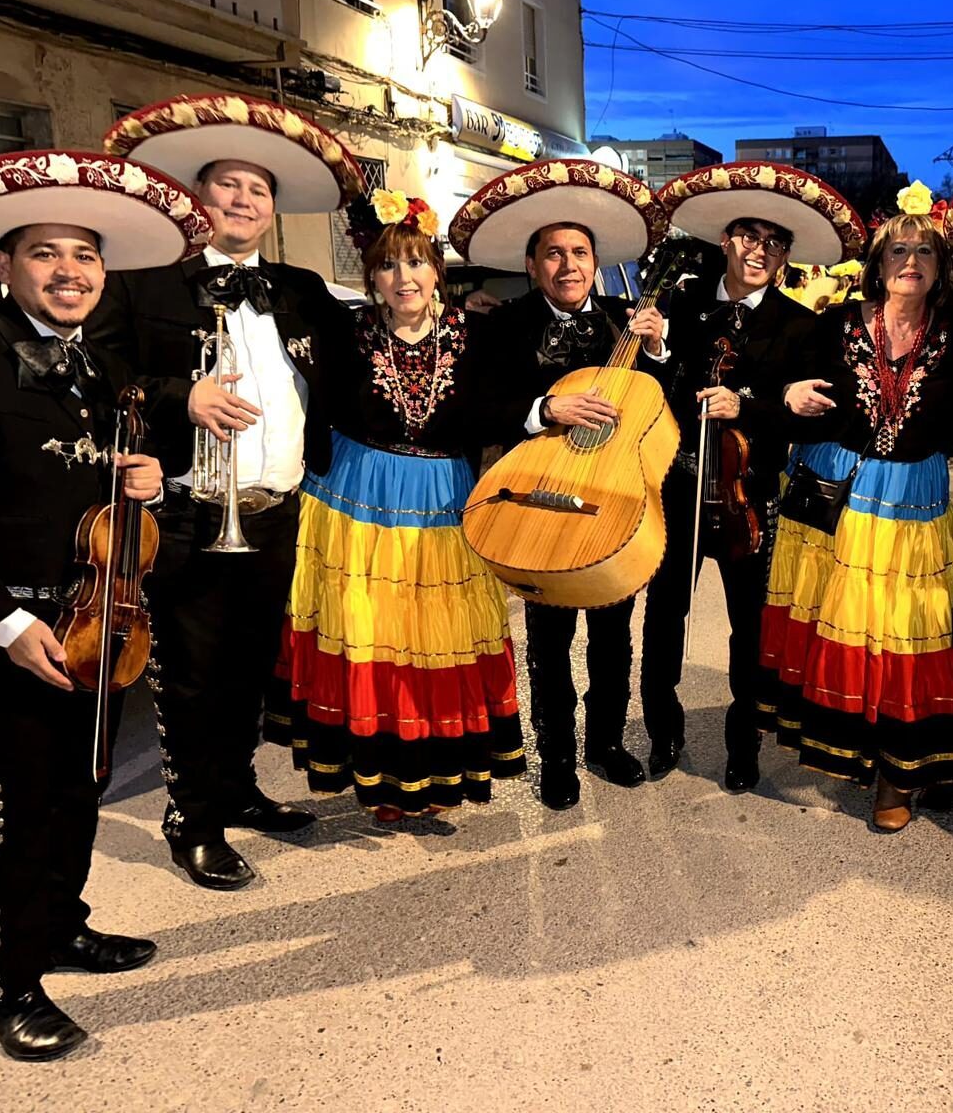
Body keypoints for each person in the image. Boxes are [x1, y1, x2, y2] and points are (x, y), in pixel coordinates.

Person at [0, 149, 208, 1060]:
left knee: (82, 787)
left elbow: (107, 500)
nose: (69, 272)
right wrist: (5, 627)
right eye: (45, 253)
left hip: (99, 617)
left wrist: (150, 483)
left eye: (85, 256)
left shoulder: (100, 372)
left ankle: (60, 927)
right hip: (7, 624)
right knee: (14, 805)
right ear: (5, 264)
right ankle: (2, 983)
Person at [87, 93, 364, 889]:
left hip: (276, 513)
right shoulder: (145, 285)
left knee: (251, 665)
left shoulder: (303, 288)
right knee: (193, 673)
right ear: (198, 201)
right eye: (226, 188)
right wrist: (184, 397)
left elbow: (358, 359)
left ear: (272, 208)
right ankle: (193, 820)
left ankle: (238, 790)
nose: (243, 202)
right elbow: (99, 375)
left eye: (257, 190)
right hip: (187, 513)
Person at [271, 190, 525, 821]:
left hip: (442, 502)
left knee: (438, 637)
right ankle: (379, 777)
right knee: (369, 638)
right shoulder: (345, 330)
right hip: (355, 503)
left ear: (436, 268)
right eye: (388, 265)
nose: (403, 277)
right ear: (372, 276)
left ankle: (433, 773)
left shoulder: (478, 333)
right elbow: (288, 296)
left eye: (415, 262)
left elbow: (506, 404)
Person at [450, 158, 671, 810]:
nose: (568, 264)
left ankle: (604, 744)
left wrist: (658, 353)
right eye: (553, 253)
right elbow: (473, 406)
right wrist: (546, 408)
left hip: (613, 504)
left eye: (579, 252)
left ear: (596, 262)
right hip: (538, 501)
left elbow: (667, 406)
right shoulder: (499, 325)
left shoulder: (623, 323)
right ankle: (557, 760)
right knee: (548, 642)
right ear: (532, 265)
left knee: (613, 637)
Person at [641, 163, 866, 792]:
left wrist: (755, 405)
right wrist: (660, 352)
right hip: (678, 487)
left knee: (750, 627)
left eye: (774, 241)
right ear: (726, 239)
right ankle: (664, 733)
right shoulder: (682, 307)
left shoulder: (803, 326)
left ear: (786, 254)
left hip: (749, 497)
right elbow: (655, 391)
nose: (759, 250)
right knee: (665, 615)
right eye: (748, 234)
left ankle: (744, 746)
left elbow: (816, 418)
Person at [760, 186, 953, 832]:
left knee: (908, 637)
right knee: (852, 635)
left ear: (941, 266)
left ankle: (905, 770)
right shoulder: (832, 323)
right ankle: (873, 765)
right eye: (898, 248)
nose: (911, 259)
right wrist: (787, 391)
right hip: (840, 498)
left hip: (915, 502)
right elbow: (770, 382)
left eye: (925, 249)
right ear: (876, 263)